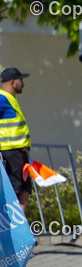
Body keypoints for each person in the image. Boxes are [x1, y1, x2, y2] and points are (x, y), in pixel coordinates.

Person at [0, 67, 32, 209]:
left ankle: (21, 227)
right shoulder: (2, 98)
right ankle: (11, 229)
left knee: (25, 188)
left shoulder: (10, 99)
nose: (23, 83)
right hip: (11, 152)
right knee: (15, 190)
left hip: (20, 152)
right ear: (12, 81)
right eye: (21, 80)